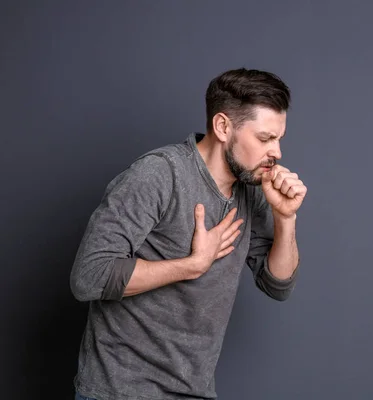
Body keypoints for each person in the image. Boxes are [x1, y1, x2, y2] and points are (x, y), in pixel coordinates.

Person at [70, 68, 307, 400]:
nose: (277, 153)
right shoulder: (159, 175)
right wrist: (192, 265)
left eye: (279, 138)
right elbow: (88, 277)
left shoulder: (251, 189)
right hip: (119, 391)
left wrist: (285, 217)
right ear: (223, 126)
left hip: (193, 391)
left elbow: (277, 285)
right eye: (266, 138)